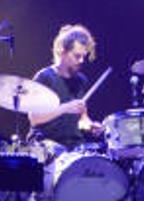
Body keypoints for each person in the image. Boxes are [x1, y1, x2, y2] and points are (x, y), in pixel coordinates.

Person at [27, 24, 105, 153]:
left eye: (83, 56)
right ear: (61, 51)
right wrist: (65, 108)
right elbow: (34, 119)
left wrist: (91, 126)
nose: (81, 61)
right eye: (76, 56)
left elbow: (82, 119)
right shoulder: (45, 77)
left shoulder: (81, 80)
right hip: (45, 146)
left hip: (74, 147)